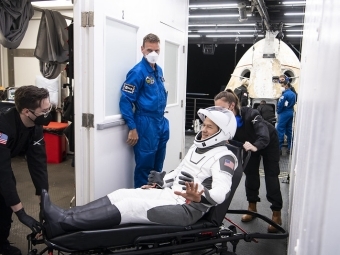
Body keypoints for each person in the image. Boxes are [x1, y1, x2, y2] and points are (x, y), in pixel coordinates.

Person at [41, 107, 238, 239]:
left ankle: (64, 223)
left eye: (209, 127)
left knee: (130, 206)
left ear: (222, 132)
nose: (203, 130)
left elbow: (221, 193)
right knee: (122, 193)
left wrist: (200, 194)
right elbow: (180, 172)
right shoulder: (198, 147)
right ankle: (65, 214)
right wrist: (162, 180)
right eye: (203, 125)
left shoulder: (225, 157)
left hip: (187, 209)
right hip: (171, 196)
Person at [214, 90, 283, 233]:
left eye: (221, 109)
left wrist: (255, 145)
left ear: (232, 106)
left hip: (267, 142)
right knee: (250, 174)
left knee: (271, 176)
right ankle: (252, 207)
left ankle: (276, 214)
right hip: (248, 145)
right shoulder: (226, 122)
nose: (219, 113)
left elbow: (263, 134)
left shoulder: (251, 114)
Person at [0, 86, 52, 255]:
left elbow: (38, 162)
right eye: (43, 111)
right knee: (6, 191)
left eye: (48, 108)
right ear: (26, 111)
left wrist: (43, 200)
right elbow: (3, 172)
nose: (47, 114)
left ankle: (1, 244)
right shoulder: (3, 125)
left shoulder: (34, 125)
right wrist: (21, 213)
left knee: (5, 204)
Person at [119, 33, 169, 188]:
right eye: (149, 50)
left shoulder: (158, 71)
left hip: (160, 121)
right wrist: (132, 127)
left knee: (158, 167)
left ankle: (154, 200)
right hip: (145, 123)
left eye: (156, 50)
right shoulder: (137, 72)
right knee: (145, 167)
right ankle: (141, 205)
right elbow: (126, 100)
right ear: (142, 49)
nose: (153, 54)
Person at [277, 77, 296, 155]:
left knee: (280, 130)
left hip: (284, 113)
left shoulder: (284, 94)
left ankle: (279, 149)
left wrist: (278, 111)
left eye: (282, 84)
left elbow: (280, 104)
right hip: (291, 112)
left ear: (285, 85)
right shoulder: (293, 94)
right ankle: (290, 148)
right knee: (289, 130)